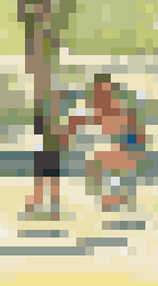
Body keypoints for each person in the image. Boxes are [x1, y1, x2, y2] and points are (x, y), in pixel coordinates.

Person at [62, 74, 146, 212]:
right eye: (98, 93)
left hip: (120, 155)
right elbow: (74, 129)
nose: (101, 96)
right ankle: (109, 198)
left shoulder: (122, 112)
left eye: (105, 92)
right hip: (103, 157)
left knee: (110, 167)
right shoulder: (91, 113)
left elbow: (135, 137)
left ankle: (117, 198)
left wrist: (132, 150)